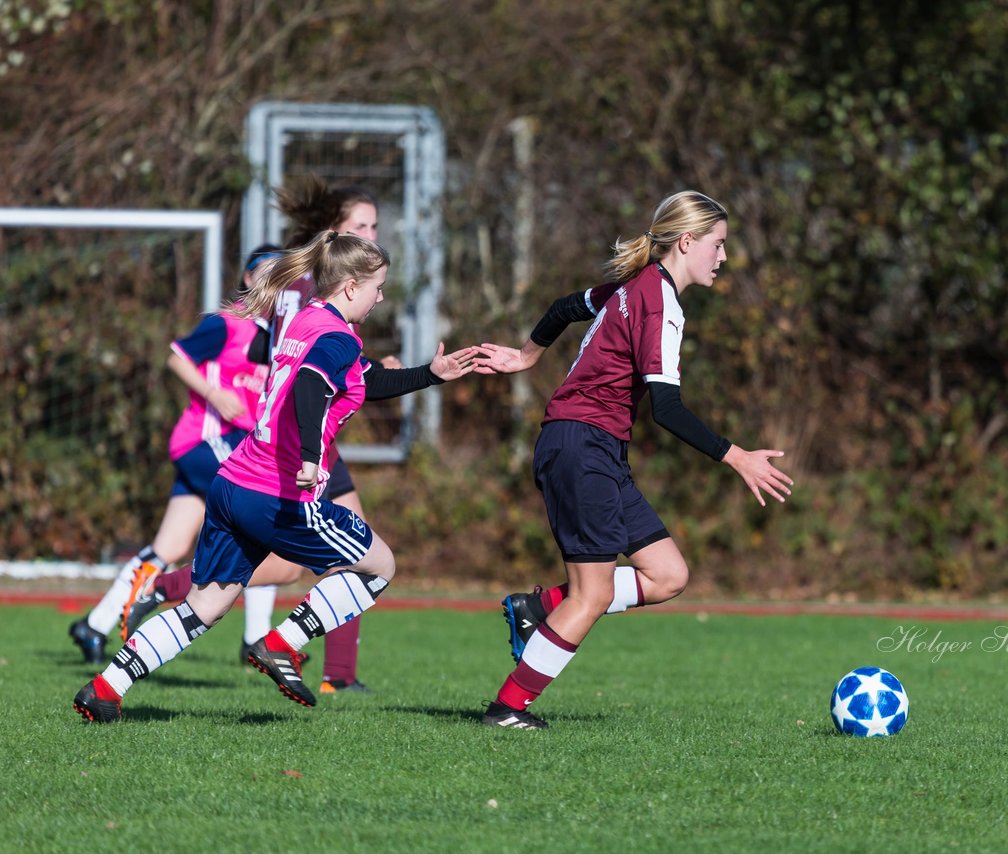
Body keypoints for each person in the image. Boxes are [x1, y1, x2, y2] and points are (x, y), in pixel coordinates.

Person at [73, 230, 478, 722]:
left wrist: (429, 374)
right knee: (380, 566)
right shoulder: (335, 337)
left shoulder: (306, 321)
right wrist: (310, 457)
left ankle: (105, 688)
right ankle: (282, 643)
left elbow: (365, 380)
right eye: (379, 286)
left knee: (205, 606)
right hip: (275, 491)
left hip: (232, 482)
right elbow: (311, 385)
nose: (381, 296)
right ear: (351, 286)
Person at [472, 190, 794, 729]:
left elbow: (564, 308)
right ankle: (507, 709)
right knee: (593, 595)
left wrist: (528, 356)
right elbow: (666, 408)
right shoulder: (660, 301)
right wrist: (737, 457)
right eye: (717, 245)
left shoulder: (631, 286)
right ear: (687, 241)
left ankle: (540, 606)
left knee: (667, 574)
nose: (722, 257)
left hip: (593, 446)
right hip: (582, 446)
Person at [124, 178, 385, 694]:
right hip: (303, 437)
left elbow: (277, 357)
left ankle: (326, 667)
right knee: (358, 554)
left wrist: (375, 373)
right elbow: (304, 369)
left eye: (374, 226)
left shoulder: (303, 280)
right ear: (337, 232)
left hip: (299, 429)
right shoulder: (320, 284)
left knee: (297, 567)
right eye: (362, 225)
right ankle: (325, 668)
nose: (372, 233)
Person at [68, 244, 285, 665]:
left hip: (230, 449)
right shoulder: (228, 324)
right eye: (266, 272)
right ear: (247, 278)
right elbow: (177, 357)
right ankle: (256, 641)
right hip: (205, 442)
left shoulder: (279, 337)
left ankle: (94, 625)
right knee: (263, 513)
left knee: (167, 546)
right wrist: (214, 394)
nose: (274, 282)